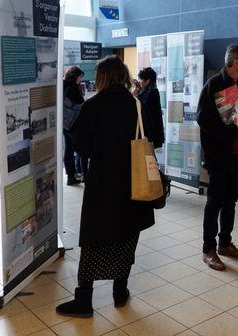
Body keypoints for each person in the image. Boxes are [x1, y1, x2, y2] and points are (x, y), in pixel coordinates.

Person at [56, 56, 156, 317]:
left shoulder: (93, 105)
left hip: (102, 185)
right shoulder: (135, 103)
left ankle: (84, 301)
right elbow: (150, 137)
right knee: (126, 235)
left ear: (101, 76)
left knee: (94, 240)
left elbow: (82, 148)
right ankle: (120, 292)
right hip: (132, 183)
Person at [197, 44, 238, 271]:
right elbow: (202, 119)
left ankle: (225, 243)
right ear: (235, 63)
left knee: (231, 201)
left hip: (237, 156)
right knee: (214, 203)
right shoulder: (214, 84)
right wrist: (229, 130)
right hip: (219, 156)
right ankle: (208, 249)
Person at [63, 66, 85, 185]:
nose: (80, 80)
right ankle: (77, 174)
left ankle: (71, 175)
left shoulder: (63, 84)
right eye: (80, 77)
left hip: (64, 123)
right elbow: (82, 104)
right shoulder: (73, 88)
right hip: (72, 124)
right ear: (75, 76)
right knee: (79, 148)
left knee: (68, 148)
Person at [136, 67, 165, 149]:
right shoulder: (150, 90)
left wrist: (135, 95)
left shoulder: (152, 92)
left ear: (147, 80)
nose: (140, 82)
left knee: (148, 157)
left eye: (141, 79)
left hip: (151, 132)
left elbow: (142, 106)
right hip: (151, 131)